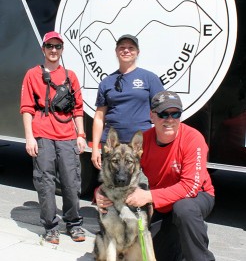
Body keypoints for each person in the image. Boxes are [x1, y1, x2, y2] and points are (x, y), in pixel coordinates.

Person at [95, 91, 215, 261]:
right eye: (163, 114)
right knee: (156, 250)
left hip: (197, 196)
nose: (170, 119)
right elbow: (120, 168)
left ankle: (199, 250)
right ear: (152, 116)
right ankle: (184, 237)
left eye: (176, 114)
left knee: (184, 210)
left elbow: (190, 186)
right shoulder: (144, 141)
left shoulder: (193, 139)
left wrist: (148, 196)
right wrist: (99, 193)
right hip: (162, 202)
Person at [20, 31, 87, 245]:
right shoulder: (32, 74)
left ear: (62, 49)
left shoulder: (71, 76)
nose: (54, 50)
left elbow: (78, 109)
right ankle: (50, 227)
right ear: (43, 49)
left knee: (71, 181)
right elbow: (27, 108)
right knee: (45, 182)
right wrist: (29, 138)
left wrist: (81, 135)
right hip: (42, 135)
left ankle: (74, 223)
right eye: (50, 46)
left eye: (57, 46)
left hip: (67, 135)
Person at [91, 34, 163, 169]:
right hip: (112, 146)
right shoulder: (106, 82)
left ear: (137, 52)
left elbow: (162, 111)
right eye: (122, 47)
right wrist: (95, 148)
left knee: (140, 185)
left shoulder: (150, 78)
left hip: (140, 145)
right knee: (112, 187)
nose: (126, 50)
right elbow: (99, 117)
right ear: (116, 52)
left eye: (131, 48)